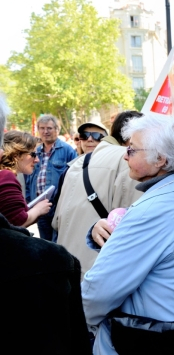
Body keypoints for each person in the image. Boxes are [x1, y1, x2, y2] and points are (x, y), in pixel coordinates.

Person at [81, 114, 174, 355]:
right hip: (161, 339)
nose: (125, 155)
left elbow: (98, 291)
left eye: (132, 149)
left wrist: (83, 318)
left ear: (160, 159)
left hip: (143, 350)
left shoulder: (155, 209)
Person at [0, 96, 92, 355]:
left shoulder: (64, 151)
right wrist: (35, 209)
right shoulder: (53, 265)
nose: (37, 158)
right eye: (32, 154)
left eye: (49, 129)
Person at [52, 111, 144, 274]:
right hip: (96, 272)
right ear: (134, 136)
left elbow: (56, 221)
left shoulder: (77, 162)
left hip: (65, 266)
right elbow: (137, 226)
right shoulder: (129, 161)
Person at [24, 114, 77, 239]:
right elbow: (28, 179)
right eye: (42, 128)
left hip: (58, 207)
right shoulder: (35, 151)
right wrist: (28, 201)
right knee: (45, 243)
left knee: (60, 241)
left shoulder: (67, 150)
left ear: (57, 130)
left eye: (49, 128)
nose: (45, 131)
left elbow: (75, 178)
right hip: (39, 207)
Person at [0, 131, 52, 227]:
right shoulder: (6, 176)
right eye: (33, 154)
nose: (37, 160)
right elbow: (18, 222)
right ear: (16, 155)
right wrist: (38, 209)